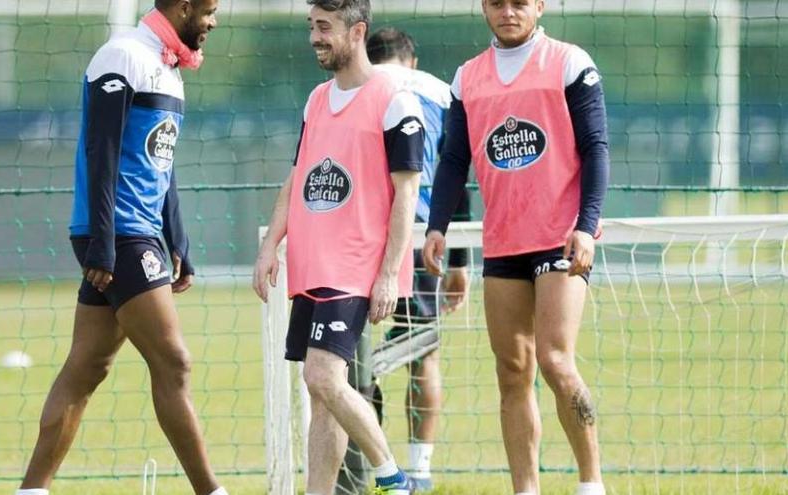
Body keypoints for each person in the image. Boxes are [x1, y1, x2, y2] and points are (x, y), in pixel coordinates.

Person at [15, 2, 228, 495]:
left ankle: (30, 491)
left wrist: (178, 238)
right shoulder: (122, 55)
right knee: (174, 362)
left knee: (89, 365)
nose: (214, 22)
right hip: (118, 233)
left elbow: (161, 163)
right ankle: (212, 491)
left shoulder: (170, 69)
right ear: (182, 7)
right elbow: (101, 149)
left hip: (139, 233)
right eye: (210, 10)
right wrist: (104, 244)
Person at [422, 1, 610, 494]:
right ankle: (525, 489)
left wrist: (587, 226)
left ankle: (592, 483)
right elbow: (453, 159)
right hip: (504, 243)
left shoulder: (570, 63)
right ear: (484, 7)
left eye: (519, 2)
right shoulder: (467, 78)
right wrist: (436, 226)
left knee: (554, 359)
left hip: (560, 239)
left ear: (539, 6)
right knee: (512, 372)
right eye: (497, 2)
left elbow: (596, 148)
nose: (508, 11)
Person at [252, 0, 425, 493]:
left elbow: (406, 191)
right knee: (322, 395)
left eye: (324, 27)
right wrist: (271, 246)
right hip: (312, 265)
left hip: (355, 267)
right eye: (311, 26)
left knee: (323, 376)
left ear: (357, 32)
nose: (314, 37)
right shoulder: (315, 100)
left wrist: (389, 273)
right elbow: (297, 175)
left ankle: (394, 476)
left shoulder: (395, 98)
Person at [365, 26, 471, 492]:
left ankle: (369, 462)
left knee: (346, 346)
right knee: (423, 350)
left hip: (361, 234)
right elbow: (458, 172)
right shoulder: (441, 94)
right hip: (421, 234)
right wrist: (461, 261)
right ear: (412, 60)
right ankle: (420, 472)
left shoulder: (357, 87)